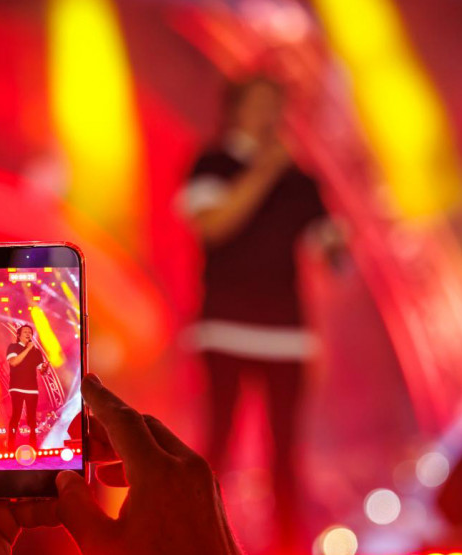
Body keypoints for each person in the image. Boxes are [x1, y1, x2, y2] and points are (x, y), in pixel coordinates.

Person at [0, 320, 243, 555]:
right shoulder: (13, 351)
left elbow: (45, 369)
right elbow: (11, 361)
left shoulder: (34, 351)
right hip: (14, 391)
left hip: (31, 394)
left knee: (31, 421)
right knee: (16, 420)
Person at [177, 75, 341, 549]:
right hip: (225, 326)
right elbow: (212, 227)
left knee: (286, 457)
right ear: (235, 109)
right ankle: (195, 542)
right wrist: (265, 172)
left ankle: (288, 546)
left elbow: (329, 251)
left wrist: (339, 245)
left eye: (277, 105)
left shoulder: (302, 181)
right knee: (216, 447)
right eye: (260, 104)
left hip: (286, 332)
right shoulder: (213, 163)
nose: (270, 115)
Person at [7, 324, 49, 449]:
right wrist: (27, 349)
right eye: (25, 332)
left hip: (32, 388)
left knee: (32, 418)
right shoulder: (13, 347)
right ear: (19, 335)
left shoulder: (36, 352)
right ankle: (11, 446)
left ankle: (33, 445)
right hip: (17, 387)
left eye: (30, 332)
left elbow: (42, 371)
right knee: (16, 415)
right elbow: (14, 362)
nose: (28, 334)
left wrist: (44, 368)